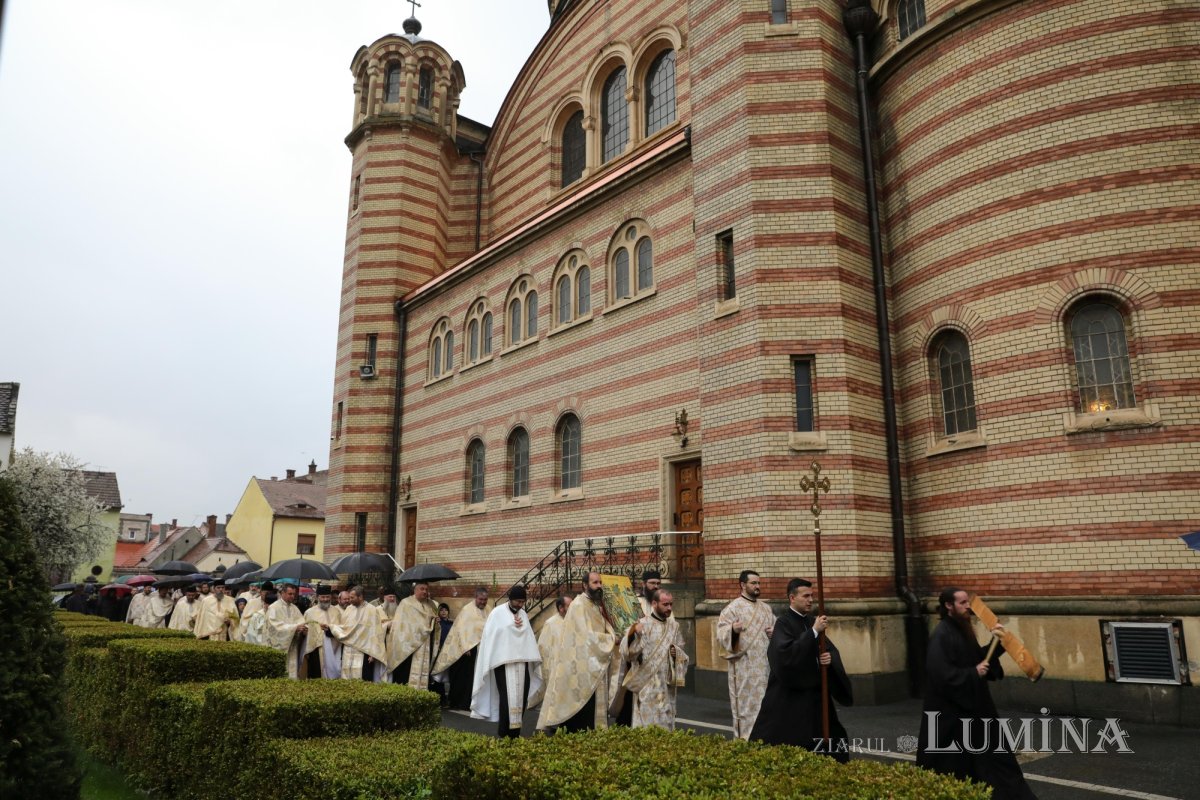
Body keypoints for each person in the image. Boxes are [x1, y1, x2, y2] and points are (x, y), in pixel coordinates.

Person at [917, 588, 1038, 800]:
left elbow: (976, 657)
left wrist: (996, 643)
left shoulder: (962, 629)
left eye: (968, 602)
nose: (968, 607)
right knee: (955, 766)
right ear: (948, 605)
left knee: (996, 760)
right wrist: (972, 673)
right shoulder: (942, 635)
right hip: (953, 717)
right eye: (963, 603)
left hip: (976, 710)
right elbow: (941, 674)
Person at [750, 578, 852, 761]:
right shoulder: (784, 623)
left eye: (812, 596)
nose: (810, 600)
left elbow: (827, 649)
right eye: (805, 596)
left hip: (815, 694)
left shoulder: (812, 621)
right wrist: (813, 632)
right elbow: (785, 655)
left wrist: (827, 659)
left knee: (829, 738)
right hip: (791, 696)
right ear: (792, 598)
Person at [536, 571, 618, 732]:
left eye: (600, 582)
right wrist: (611, 640)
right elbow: (586, 637)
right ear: (585, 585)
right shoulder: (579, 605)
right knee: (582, 708)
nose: (599, 586)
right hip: (581, 666)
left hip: (593, 662)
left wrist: (616, 633)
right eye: (595, 583)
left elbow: (603, 628)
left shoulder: (595, 604)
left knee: (592, 707)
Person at [471, 585, 544, 738]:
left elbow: (528, 638)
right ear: (510, 599)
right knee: (506, 700)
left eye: (523, 602)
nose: (520, 605)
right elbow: (491, 638)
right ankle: (504, 734)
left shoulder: (523, 614)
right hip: (503, 664)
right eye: (518, 601)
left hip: (522, 664)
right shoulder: (497, 614)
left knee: (521, 700)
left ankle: (515, 734)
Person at [716, 569, 775, 738]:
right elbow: (721, 635)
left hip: (764, 669)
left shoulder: (766, 608)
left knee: (766, 707)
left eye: (759, 583)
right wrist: (732, 630)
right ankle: (745, 743)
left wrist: (774, 632)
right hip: (744, 670)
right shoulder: (732, 609)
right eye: (753, 583)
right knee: (746, 710)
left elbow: (776, 630)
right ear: (743, 585)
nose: (757, 586)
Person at [620, 589, 689, 730]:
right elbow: (627, 653)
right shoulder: (641, 625)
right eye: (665, 604)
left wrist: (677, 656)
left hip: (666, 686)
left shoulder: (674, 627)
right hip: (647, 686)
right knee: (647, 728)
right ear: (654, 603)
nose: (669, 608)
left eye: (671, 604)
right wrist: (635, 634)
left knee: (666, 725)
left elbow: (681, 652)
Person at [432, 587, 490, 710]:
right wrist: (465, 647)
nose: (483, 602)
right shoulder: (467, 610)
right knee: (463, 677)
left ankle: (471, 702)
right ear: (476, 597)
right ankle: (458, 702)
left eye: (485, 600)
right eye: (481, 599)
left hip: (481, 648)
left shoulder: (489, 609)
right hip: (465, 650)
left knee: (474, 677)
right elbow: (460, 629)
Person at [328, 585, 387, 680]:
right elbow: (344, 628)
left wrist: (373, 653)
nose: (350, 600)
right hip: (348, 650)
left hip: (364, 651)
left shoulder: (372, 610)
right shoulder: (349, 609)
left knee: (363, 679)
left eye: (352, 597)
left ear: (360, 597)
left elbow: (376, 633)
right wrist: (330, 627)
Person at [263, 583, 308, 678]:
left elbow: (301, 621)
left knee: (292, 671)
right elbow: (274, 626)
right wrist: (294, 628)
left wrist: (304, 627)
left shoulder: (294, 608)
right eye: (290, 594)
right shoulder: (274, 608)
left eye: (294, 594)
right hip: (279, 647)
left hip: (292, 645)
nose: (292, 596)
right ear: (282, 593)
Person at [303, 585, 343, 679]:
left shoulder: (337, 611)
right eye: (323, 597)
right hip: (317, 649)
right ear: (318, 597)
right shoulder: (310, 612)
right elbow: (305, 630)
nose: (325, 599)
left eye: (327, 597)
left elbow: (341, 628)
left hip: (335, 649)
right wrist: (317, 627)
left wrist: (331, 628)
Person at [536, 595, 570, 680]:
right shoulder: (550, 623)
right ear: (561, 608)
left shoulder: (573, 621)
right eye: (570, 606)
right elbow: (543, 648)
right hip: (555, 669)